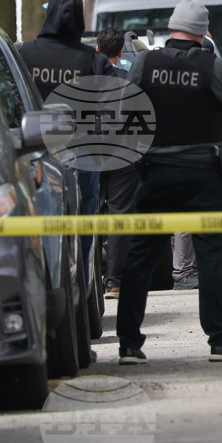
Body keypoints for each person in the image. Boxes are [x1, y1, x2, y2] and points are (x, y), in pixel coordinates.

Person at [116, 0, 222, 363]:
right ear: (203, 33)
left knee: (140, 259)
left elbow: (127, 115)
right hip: (204, 175)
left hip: (156, 172)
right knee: (212, 259)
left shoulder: (144, 63)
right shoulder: (215, 68)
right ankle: (219, 340)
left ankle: (129, 343)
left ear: (172, 27)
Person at [19, 0, 117, 291]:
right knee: (84, 220)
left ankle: (41, 282)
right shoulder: (93, 60)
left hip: (34, 153)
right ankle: (81, 285)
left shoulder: (23, 55)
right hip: (83, 154)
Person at [95, 27, 138, 300]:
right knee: (119, 215)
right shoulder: (128, 81)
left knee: (91, 212)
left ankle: (90, 275)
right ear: (121, 52)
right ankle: (114, 281)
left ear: (97, 49)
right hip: (123, 154)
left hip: (91, 154)